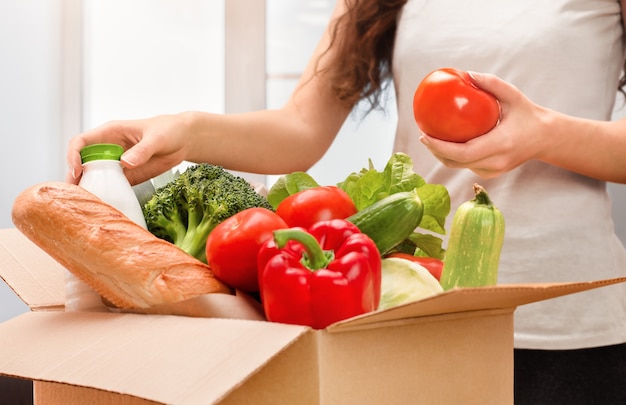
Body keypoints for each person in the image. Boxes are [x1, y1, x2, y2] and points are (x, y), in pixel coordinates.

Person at [67, 1, 626, 403]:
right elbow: (299, 127)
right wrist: (182, 128)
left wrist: (544, 133)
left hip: (568, 322)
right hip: (414, 306)